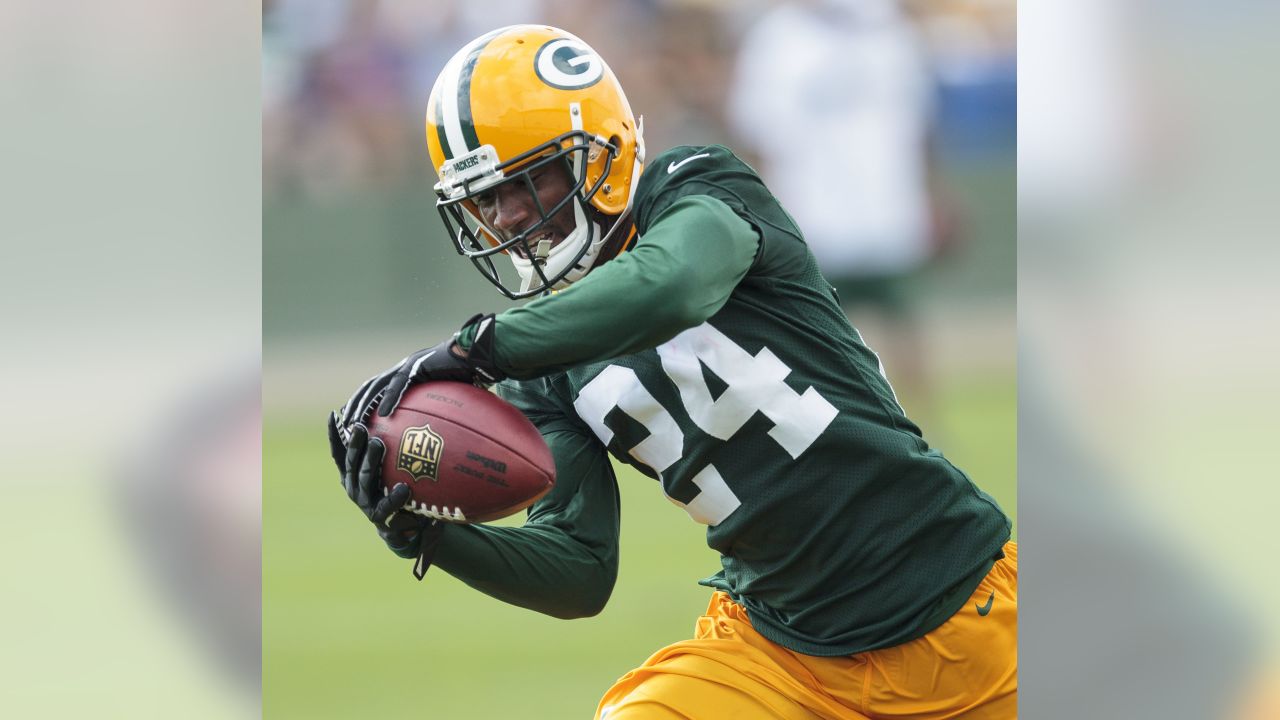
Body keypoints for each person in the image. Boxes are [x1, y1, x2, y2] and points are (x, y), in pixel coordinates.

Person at [328, 25, 1014, 719]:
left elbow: (673, 286)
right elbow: (578, 570)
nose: (508, 216)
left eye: (527, 180)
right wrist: (433, 536)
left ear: (601, 149)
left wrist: (479, 346)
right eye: (485, 199)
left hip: (959, 605)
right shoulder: (538, 365)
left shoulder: (700, 188)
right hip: (781, 654)